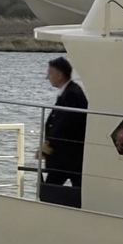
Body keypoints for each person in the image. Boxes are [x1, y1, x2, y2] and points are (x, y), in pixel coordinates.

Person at [40, 57, 88, 187]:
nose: (47, 77)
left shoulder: (71, 94)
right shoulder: (70, 92)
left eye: (50, 73)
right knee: (59, 185)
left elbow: (64, 123)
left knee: (53, 187)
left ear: (60, 75)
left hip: (67, 154)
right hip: (66, 154)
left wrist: (49, 145)